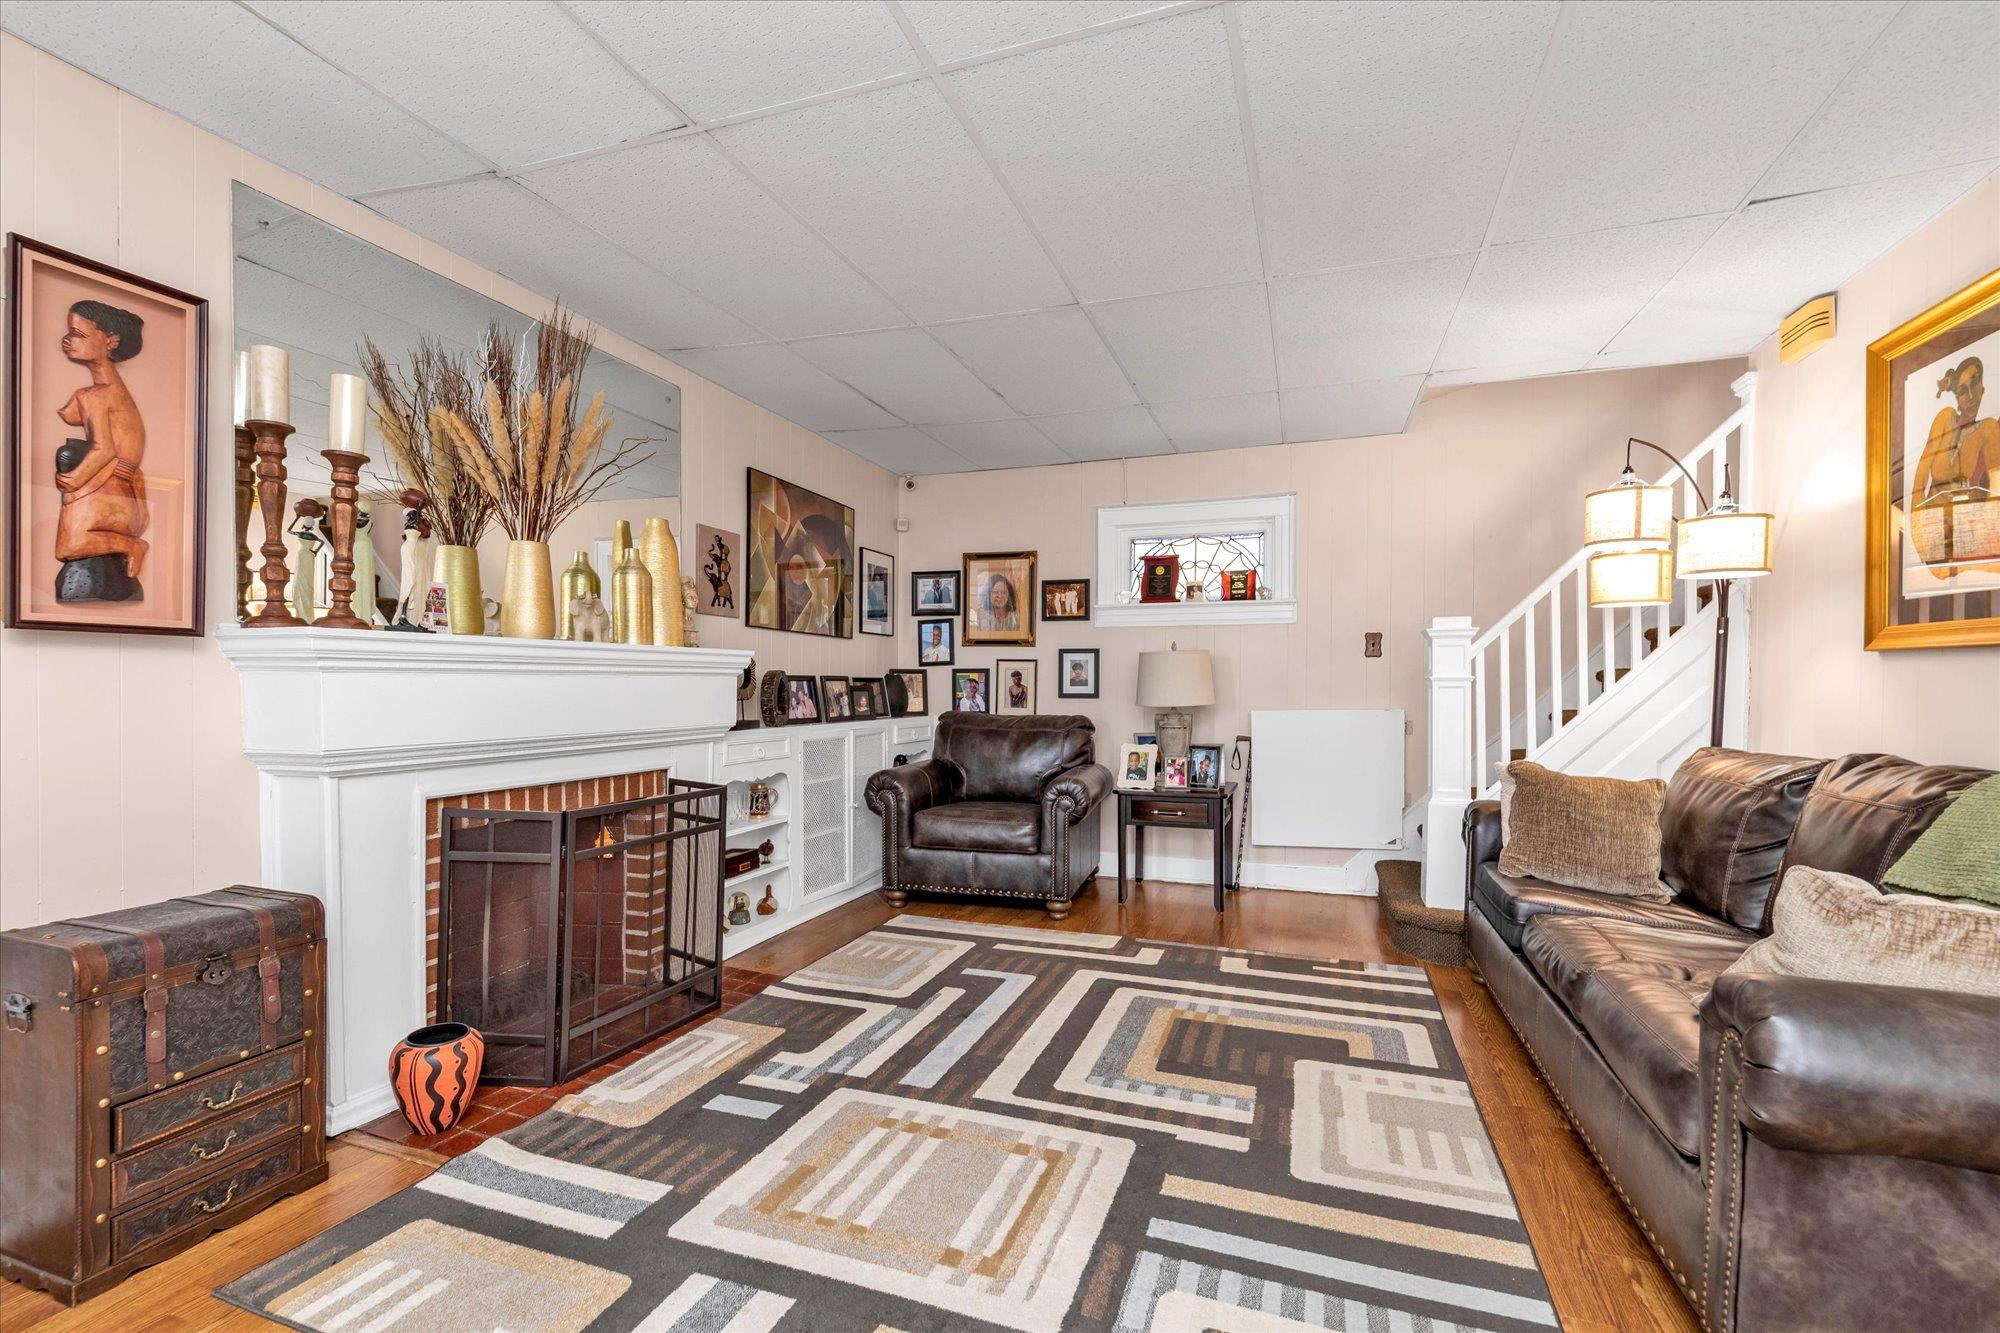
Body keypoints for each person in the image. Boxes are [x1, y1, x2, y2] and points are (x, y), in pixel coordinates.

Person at [53, 299, 150, 601]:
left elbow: (104, 449)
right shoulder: (108, 394)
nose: (66, 340)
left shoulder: (96, 395)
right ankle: (128, 544)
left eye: (78, 334)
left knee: (68, 547)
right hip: (125, 495)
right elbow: (69, 415)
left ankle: (131, 546)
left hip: (108, 486)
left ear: (111, 341)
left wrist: (73, 479)